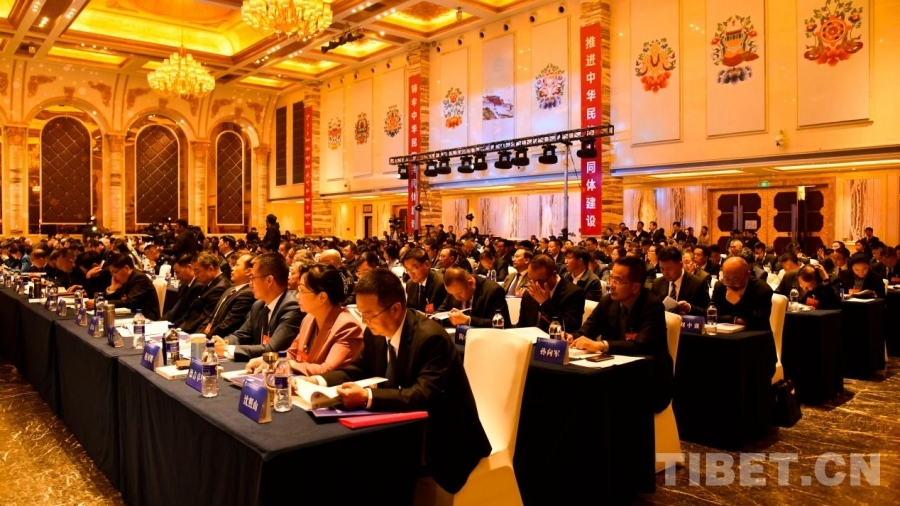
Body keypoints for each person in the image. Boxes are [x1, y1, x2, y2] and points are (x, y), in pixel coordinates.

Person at [303, 268, 491, 494]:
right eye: (361, 314)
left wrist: (367, 396)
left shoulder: (430, 338)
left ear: (395, 309)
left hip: (444, 437)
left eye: (369, 315)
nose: (365, 322)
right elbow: (359, 369)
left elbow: (422, 395)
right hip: (401, 427)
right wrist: (318, 381)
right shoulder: (375, 332)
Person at [569, 256, 674, 413]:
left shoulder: (652, 306)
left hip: (647, 380)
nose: (611, 285)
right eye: (611, 278)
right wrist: (572, 337)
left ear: (635, 287)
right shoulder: (607, 302)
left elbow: (640, 345)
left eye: (618, 280)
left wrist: (601, 345)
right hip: (614, 373)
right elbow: (587, 330)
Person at [246, 263, 362, 376]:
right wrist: (270, 360)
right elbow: (292, 353)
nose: (297, 296)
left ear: (322, 297)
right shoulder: (309, 318)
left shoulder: (347, 326)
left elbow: (328, 370)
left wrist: (289, 365)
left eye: (302, 290)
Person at [213, 253, 302, 361]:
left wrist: (227, 349)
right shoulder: (258, 305)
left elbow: (272, 349)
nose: (250, 284)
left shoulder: (292, 306)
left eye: (253, 278)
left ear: (269, 280)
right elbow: (241, 335)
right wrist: (225, 342)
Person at [518, 254, 585, 333]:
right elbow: (522, 325)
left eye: (540, 281)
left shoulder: (574, 293)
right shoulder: (530, 292)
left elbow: (569, 327)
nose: (535, 285)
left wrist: (546, 304)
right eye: (530, 280)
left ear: (553, 275)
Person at [86, 254, 160, 320]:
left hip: (145, 319)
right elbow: (117, 301)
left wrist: (101, 303)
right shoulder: (124, 278)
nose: (113, 276)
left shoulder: (140, 278)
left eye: (115, 272)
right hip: (128, 316)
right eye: (111, 273)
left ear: (126, 268)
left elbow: (130, 302)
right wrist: (112, 288)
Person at [174, 252, 233, 333]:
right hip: (187, 328)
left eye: (197, 272)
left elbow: (204, 318)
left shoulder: (220, 288)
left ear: (210, 269)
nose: (195, 276)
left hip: (196, 332)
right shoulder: (210, 283)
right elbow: (192, 312)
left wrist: (185, 333)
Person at [711, 257, 773, 331]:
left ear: (747, 275)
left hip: (754, 334)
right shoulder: (720, 286)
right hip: (723, 333)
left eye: (735, 279)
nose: (730, 283)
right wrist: (735, 319)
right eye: (726, 279)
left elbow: (760, 321)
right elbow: (711, 314)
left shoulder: (762, 289)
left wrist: (738, 302)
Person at [204, 253, 256, 338]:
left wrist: (206, 337)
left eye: (237, 265)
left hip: (222, 339)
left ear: (248, 271)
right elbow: (213, 315)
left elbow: (227, 325)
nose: (232, 268)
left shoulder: (247, 294)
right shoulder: (230, 289)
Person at [436, 267, 510, 328]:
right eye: (452, 294)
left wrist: (468, 320)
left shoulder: (493, 290)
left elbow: (502, 323)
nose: (456, 298)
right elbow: (439, 313)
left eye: (459, 294)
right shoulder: (454, 290)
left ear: (471, 283)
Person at [651, 246, 710, 317]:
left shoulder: (697, 284)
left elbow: (706, 312)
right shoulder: (657, 284)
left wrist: (689, 308)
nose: (665, 273)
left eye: (668, 269)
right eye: (662, 269)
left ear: (680, 265)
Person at [403, 248, 446, 313]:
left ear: (426, 265)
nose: (411, 273)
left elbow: (443, 311)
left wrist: (425, 317)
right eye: (407, 269)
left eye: (414, 268)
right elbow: (410, 309)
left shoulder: (441, 283)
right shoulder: (410, 283)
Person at [163, 255, 202, 322]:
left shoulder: (198, 287)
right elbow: (174, 310)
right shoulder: (183, 285)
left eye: (178, 273)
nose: (177, 277)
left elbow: (187, 316)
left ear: (189, 268)